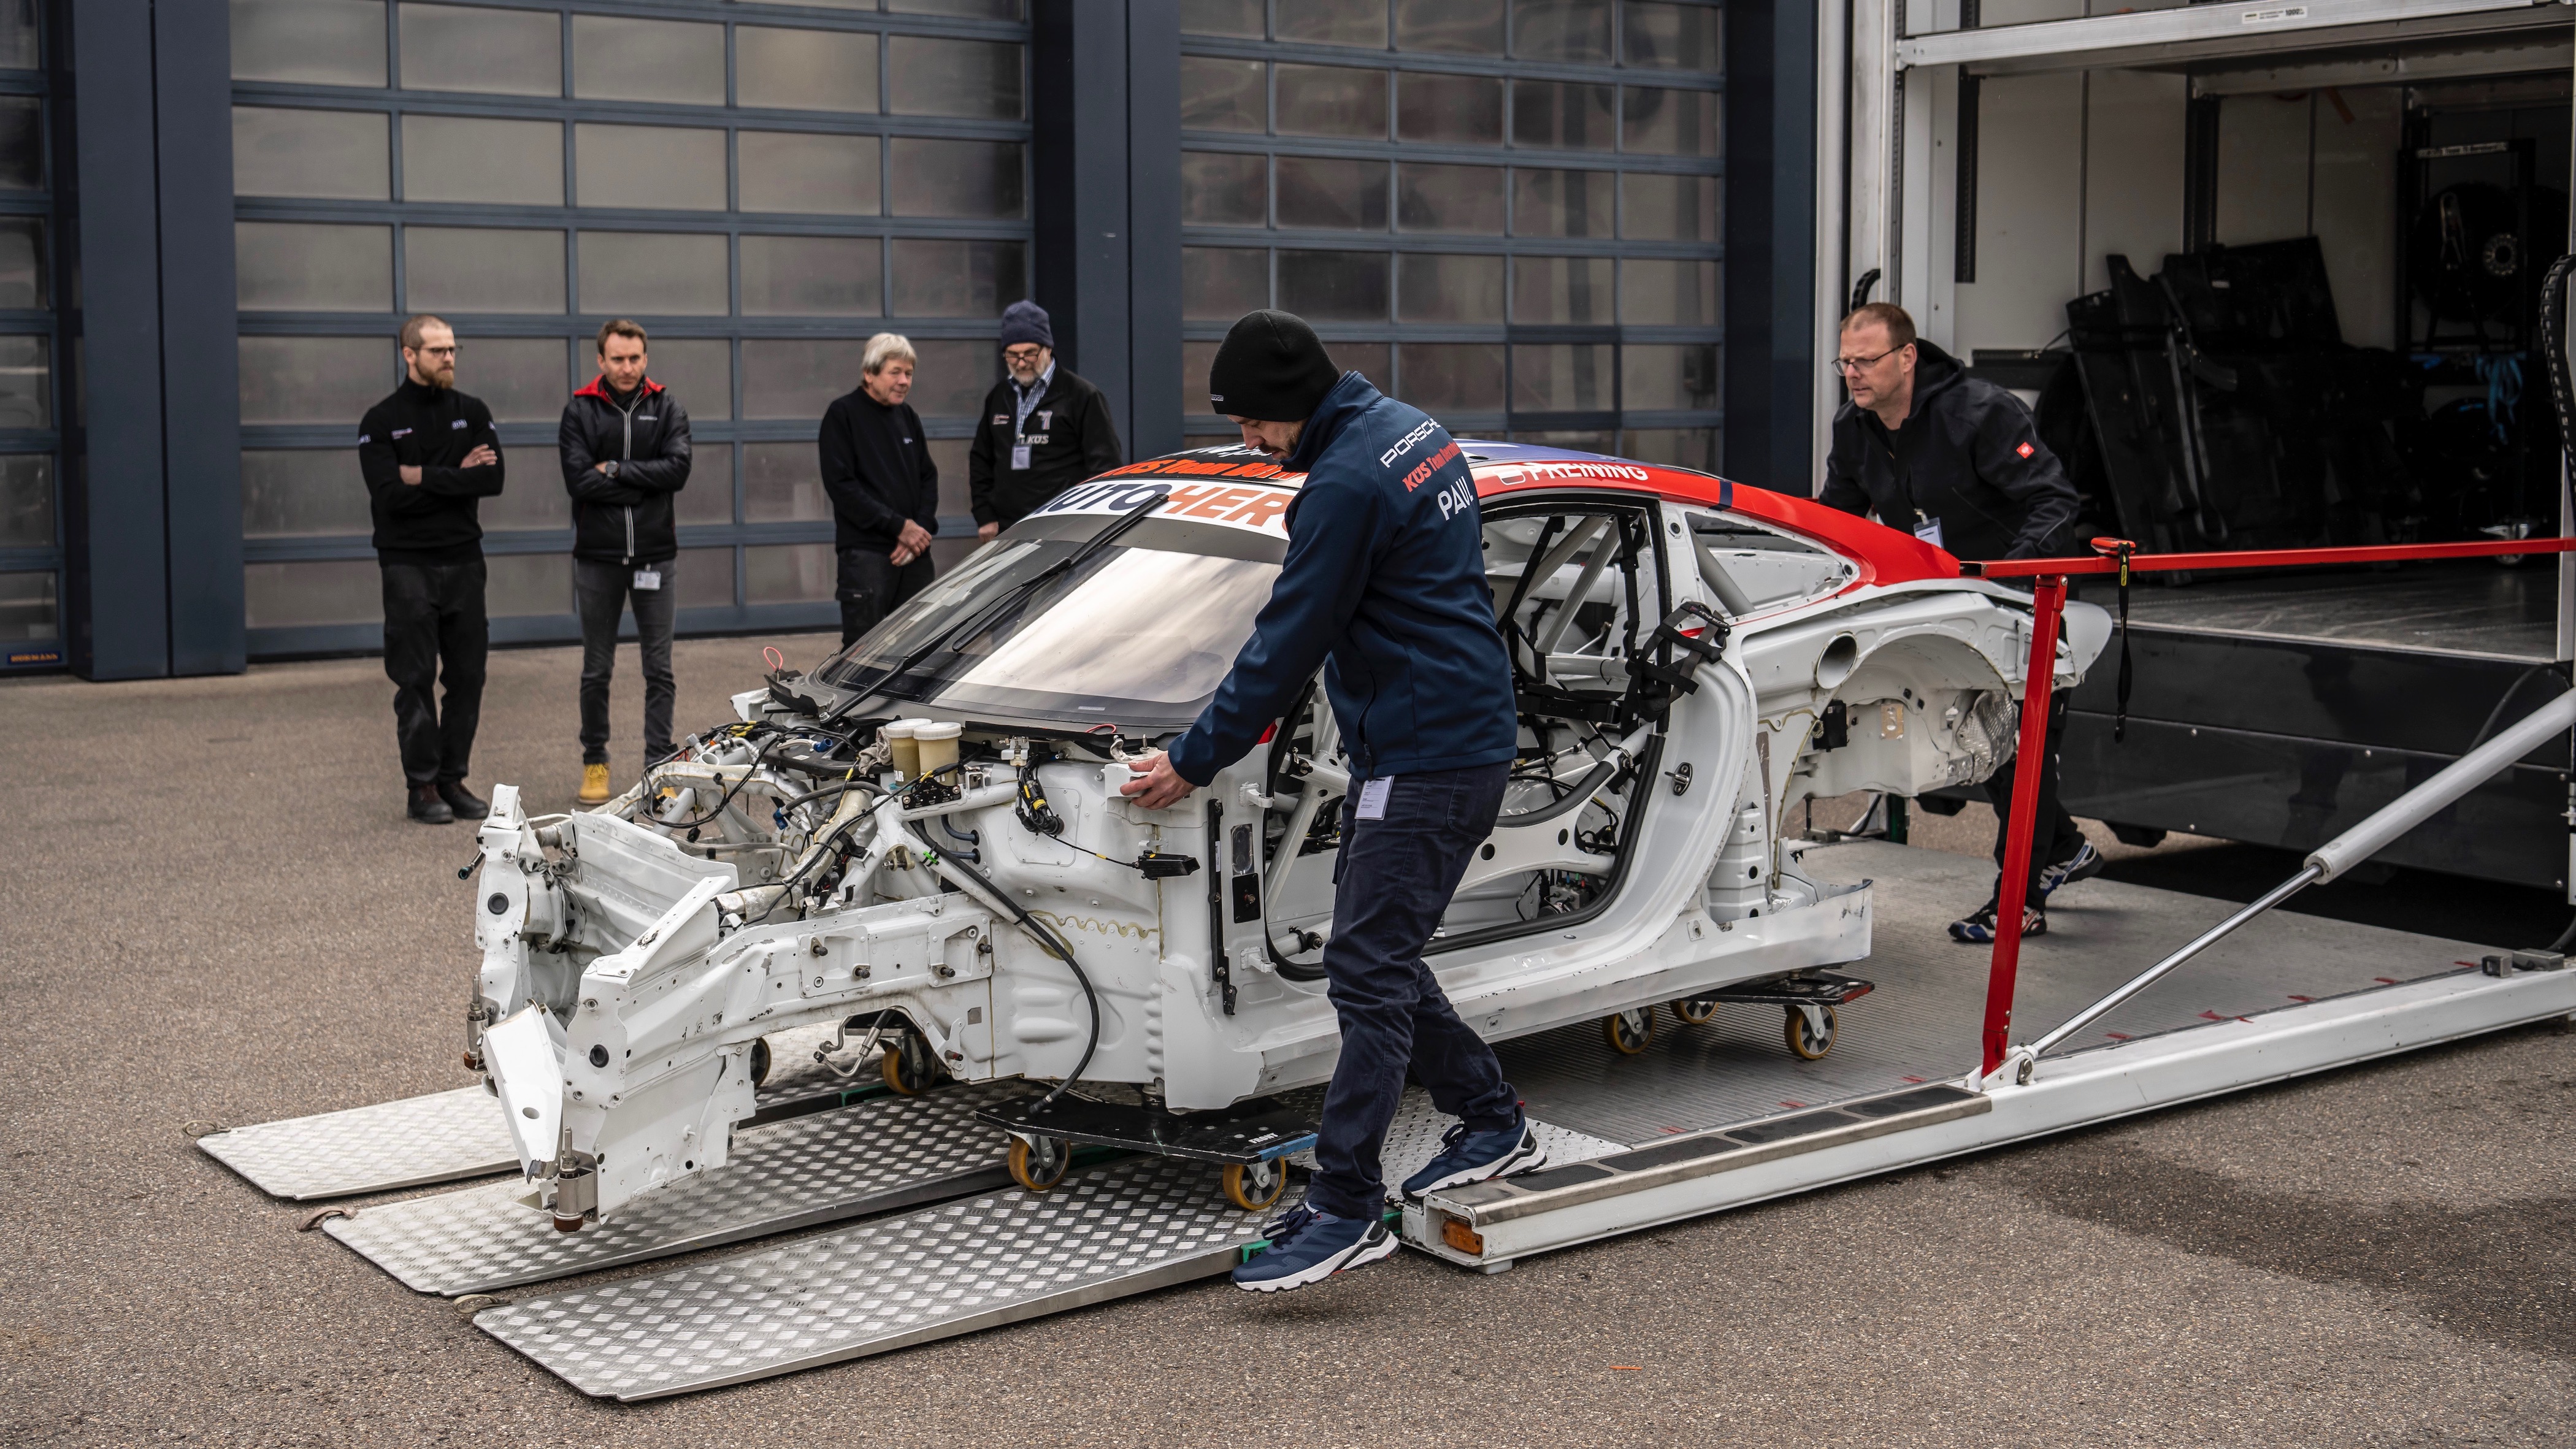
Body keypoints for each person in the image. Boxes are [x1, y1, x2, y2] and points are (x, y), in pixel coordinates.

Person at [1120, 310, 1541, 1294]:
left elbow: (1286, 642)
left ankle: (1348, 1204)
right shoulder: (1409, 428)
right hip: (1444, 732)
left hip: (1430, 756)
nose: (1251, 442)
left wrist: (1194, 758)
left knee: (1365, 966)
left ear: (1292, 401)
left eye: (1253, 423)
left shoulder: (1346, 483)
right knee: (1375, 952)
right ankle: (1492, 1117)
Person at [1817, 301, 2098, 942]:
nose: (1853, 374)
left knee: (2024, 751)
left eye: (1866, 361)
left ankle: (2019, 902)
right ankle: (2065, 848)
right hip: (1949, 603)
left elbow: (2055, 500)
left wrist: (2006, 579)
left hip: (2024, 596)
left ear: (1906, 357)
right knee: (1980, 742)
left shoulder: (1980, 412)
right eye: (1845, 362)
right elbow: (1840, 520)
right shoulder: (1854, 427)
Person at [359, 315, 504, 825]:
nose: (448, 357)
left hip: (465, 561)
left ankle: (452, 779)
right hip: (408, 565)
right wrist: (455, 475)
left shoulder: (472, 411)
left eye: (452, 349)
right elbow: (389, 496)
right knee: (415, 677)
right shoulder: (381, 421)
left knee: (468, 676)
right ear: (409, 354)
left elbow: (492, 480)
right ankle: (421, 786)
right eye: (437, 350)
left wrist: (420, 474)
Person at [560, 319, 694, 806]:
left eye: (635, 358)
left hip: (655, 557)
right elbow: (578, 481)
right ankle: (595, 761)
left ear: (645, 358)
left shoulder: (667, 407)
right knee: (597, 670)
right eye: (617, 358)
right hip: (598, 560)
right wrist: (644, 485)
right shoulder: (580, 410)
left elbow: (678, 469)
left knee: (660, 669)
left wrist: (616, 469)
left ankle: (659, 766)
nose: (627, 367)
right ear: (601, 360)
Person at [819, 333, 940, 648]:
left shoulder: (907, 417)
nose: (904, 381)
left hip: (914, 556)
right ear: (869, 374)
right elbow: (842, 487)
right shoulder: (843, 415)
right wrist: (899, 527)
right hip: (867, 558)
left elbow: (928, 477)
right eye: (895, 372)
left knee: (920, 649)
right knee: (863, 653)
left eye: (909, 374)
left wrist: (919, 531)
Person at [968, 300, 1124, 538]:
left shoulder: (1081, 395)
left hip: (1064, 527)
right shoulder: (998, 397)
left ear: (1048, 348)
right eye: (1012, 355)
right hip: (1008, 528)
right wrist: (985, 516)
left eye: (1030, 353)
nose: (1021, 362)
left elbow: (1105, 466)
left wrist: (1091, 523)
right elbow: (981, 460)